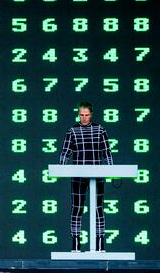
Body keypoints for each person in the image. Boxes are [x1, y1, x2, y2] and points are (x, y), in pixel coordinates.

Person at [59, 101, 113, 252]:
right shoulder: (72, 131)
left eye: (87, 115)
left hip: (97, 175)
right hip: (78, 175)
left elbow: (107, 151)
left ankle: (100, 244)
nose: (84, 118)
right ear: (78, 114)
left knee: (98, 208)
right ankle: (75, 244)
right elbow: (65, 151)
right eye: (81, 115)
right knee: (77, 208)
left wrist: (111, 170)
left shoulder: (100, 129)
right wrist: (61, 167)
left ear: (91, 114)